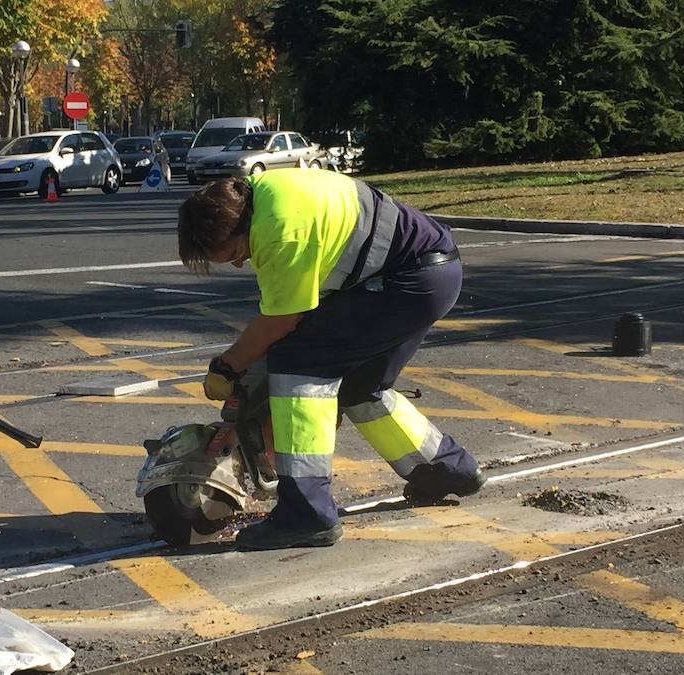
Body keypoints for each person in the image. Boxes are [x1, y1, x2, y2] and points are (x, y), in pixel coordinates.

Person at [177, 168, 486, 551]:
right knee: (360, 387)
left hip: (405, 282)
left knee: (300, 364)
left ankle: (306, 514)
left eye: (237, 254)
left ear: (238, 227)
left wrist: (228, 366)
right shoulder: (263, 192)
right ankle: (445, 469)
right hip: (429, 275)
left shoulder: (281, 230)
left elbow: (282, 321)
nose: (241, 263)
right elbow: (297, 304)